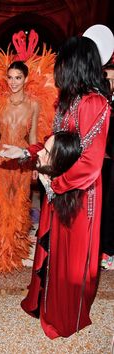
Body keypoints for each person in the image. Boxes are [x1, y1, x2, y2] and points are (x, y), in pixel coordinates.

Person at [1, 36, 111, 338]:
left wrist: (54, 184)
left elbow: (90, 163)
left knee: (74, 260)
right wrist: (25, 152)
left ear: (75, 64)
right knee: (54, 249)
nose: (57, 68)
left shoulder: (94, 103)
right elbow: (55, 141)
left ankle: (66, 315)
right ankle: (45, 302)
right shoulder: (67, 100)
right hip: (58, 187)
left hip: (80, 193)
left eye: (62, 61)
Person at [0, 60, 39, 273]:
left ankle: (16, 246)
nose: (13, 82)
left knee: (20, 201)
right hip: (2, 157)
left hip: (22, 158)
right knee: (3, 203)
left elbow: (32, 136)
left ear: (25, 79)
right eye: (10, 77)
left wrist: (35, 163)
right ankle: (0, 250)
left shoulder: (34, 104)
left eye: (18, 77)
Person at [100, 62, 114, 269]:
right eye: (107, 79)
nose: (110, 83)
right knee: (106, 206)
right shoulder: (98, 102)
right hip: (103, 160)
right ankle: (106, 250)